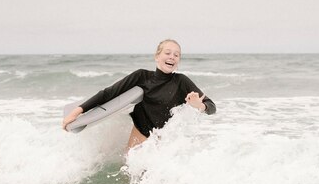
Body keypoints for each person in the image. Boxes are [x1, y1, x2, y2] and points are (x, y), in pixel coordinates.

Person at [62, 39, 216, 148]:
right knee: (129, 176)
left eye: (177, 55)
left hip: (165, 139)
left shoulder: (181, 81)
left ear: (178, 61)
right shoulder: (141, 76)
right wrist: (77, 112)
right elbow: (109, 94)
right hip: (140, 132)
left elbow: (212, 107)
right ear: (157, 57)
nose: (172, 57)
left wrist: (199, 106)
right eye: (167, 53)